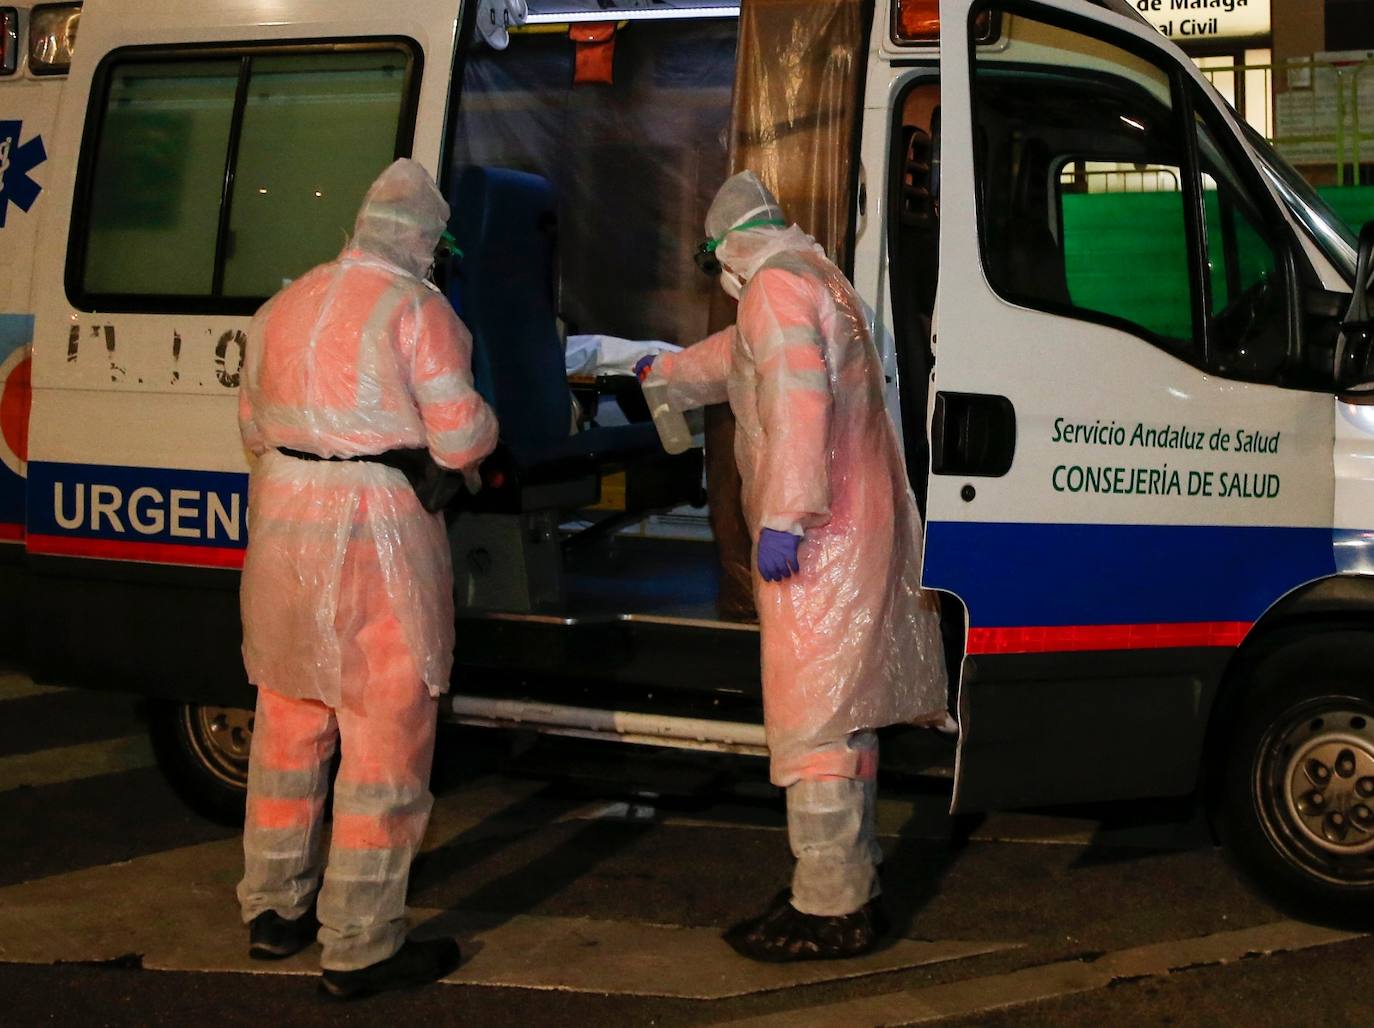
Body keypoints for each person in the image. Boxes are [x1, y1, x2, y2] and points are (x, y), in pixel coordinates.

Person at [635, 171, 947, 962]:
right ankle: (849, 878)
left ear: (724, 248)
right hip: (858, 526)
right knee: (845, 713)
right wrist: (668, 374)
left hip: (819, 539)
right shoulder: (814, 272)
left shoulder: (773, 286)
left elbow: (798, 402)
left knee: (813, 722)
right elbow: (747, 358)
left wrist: (784, 519)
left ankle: (828, 905)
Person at [235, 159, 499, 999]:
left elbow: (251, 423)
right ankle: (360, 943)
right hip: (374, 533)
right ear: (428, 240)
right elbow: (460, 439)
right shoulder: (419, 309)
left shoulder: (281, 305)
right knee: (383, 736)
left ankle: (274, 909)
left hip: (283, 528)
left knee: (287, 723)